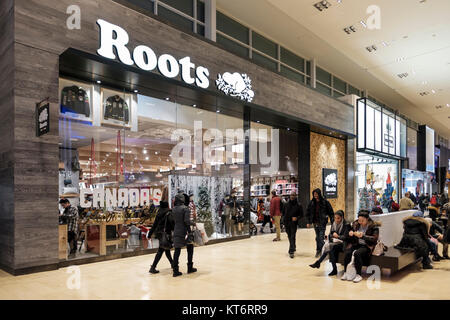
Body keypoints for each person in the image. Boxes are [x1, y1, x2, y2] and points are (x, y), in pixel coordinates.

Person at [341, 210, 380, 283]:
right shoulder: (356, 224)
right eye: (359, 220)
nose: (360, 222)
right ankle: (346, 272)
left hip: (367, 246)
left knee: (357, 253)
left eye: (362, 220)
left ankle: (358, 274)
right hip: (357, 244)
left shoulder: (373, 226)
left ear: (367, 219)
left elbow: (374, 239)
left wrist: (363, 236)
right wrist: (351, 233)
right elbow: (350, 235)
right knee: (348, 252)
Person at [309, 210, 350, 276]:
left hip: (343, 244)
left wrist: (338, 236)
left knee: (330, 248)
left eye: (338, 218)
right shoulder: (333, 224)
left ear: (342, 218)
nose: (336, 220)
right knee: (330, 248)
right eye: (335, 218)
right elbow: (330, 234)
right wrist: (330, 236)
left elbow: (346, 237)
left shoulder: (346, 225)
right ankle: (323, 264)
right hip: (335, 242)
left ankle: (320, 263)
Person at [172, 192, 197, 277]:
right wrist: (193, 224)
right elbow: (186, 221)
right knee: (190, 249)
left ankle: (175, 270)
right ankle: (190, 268)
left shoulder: (174, 209)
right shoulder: (185, 208)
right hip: (185, 232)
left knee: (177, 251)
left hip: (176, 231)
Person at [147, 200, 174, 274]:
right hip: (166, 233)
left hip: (159, 233)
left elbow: (154, 225)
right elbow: (171, 223)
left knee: (166, 248)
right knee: (161, 250)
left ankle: (173, 264)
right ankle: (153, 267)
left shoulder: (159, 212)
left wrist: (150, 234)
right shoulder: (169, 212)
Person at [306, 188, 334, 257]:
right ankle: (318, 250)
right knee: (317, 237)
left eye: (316, 194)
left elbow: (331, 212)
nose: (315, 195)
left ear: (319, 194)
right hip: (315, 223)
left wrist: (332, 221)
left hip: (322, 222)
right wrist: (309, 222)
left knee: (321, 237)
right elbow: (308, 212)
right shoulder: (312, 202)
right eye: (314, 194)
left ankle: (323, 251)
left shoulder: (325, 202)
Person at [282, 191, 303, 258]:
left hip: (293, 223)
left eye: (293, 195)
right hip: (286, 222)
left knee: (292, 236)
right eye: (291, 195)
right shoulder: (286, 204)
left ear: (295, 196)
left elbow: (301, 215)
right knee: (289, 235)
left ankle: (291, 251)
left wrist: (297, 218)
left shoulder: (299, 205)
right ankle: (293, 246)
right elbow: (283, 213)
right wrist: (283, 221)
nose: (292, 196)